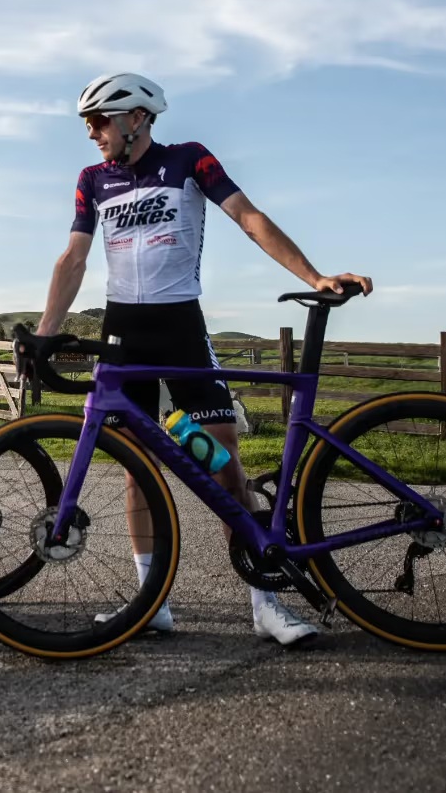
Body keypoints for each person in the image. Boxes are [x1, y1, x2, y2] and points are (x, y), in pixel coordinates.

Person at [28, 72, 372, 646]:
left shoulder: (189, 160)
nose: (91, 132)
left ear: (137, 117)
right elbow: (73, 258)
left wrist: (313, 275)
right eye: (87, 123)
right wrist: (46, 333)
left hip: (180, 326)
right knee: (137, 469)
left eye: (100, 120)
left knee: (220, 460)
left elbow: (249, 217)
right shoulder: (93, 180)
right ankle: (149, 602)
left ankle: (265, 601)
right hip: (123, 332)